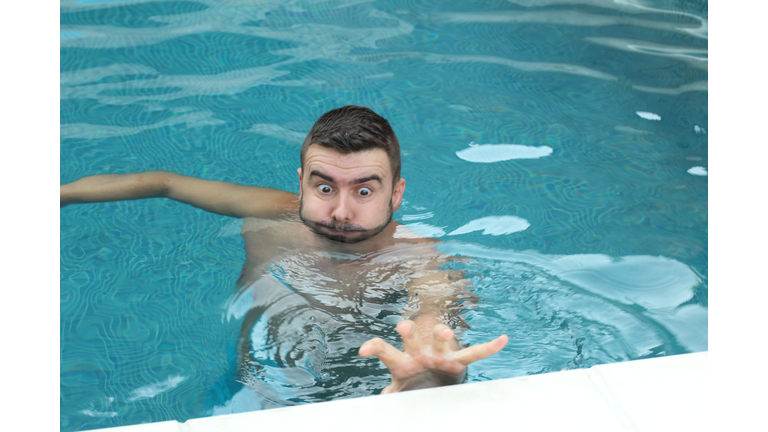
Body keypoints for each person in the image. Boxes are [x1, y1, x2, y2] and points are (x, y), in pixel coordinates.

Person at [60, 105, 508, 411]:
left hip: (356, 396)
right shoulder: (269, 214)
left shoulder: (419, 260)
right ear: (302, 184)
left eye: (365, 190)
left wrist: (432, 367)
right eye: (325, 187)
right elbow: (162, 182)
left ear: (397, 194)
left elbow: (433, 313)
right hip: (242, 384)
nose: (340, 211)